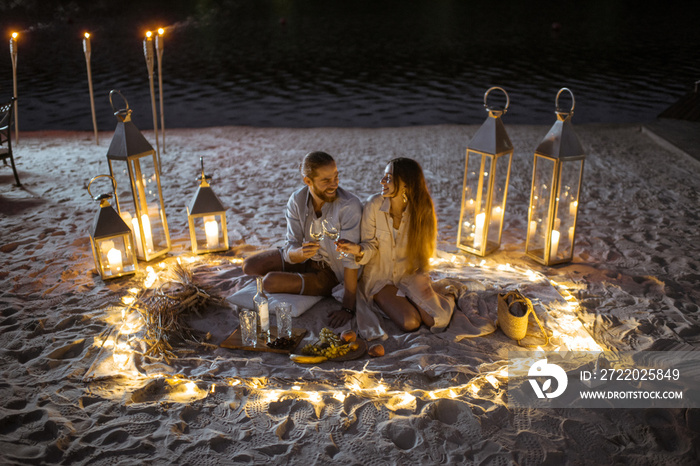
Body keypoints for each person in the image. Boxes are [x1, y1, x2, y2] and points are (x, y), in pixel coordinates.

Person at [336, 157, 454, 340]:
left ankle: (445, 298)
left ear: (406, 184)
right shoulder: (374, 205)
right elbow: (370, 246)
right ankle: (404, 302)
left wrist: (422, 276)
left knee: (436, 321)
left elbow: (424, 252)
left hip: (408, 275)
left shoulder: (422, 211)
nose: (382, 182)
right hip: (380, 279)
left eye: (389, 178)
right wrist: (357, 250)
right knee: (411, 323)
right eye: (384, 176)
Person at [242, 151, 362, 328]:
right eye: (326, 180)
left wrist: (348, 307)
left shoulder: (348, 206)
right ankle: (300, 278)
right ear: (308, 181)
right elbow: (291, 242)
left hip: (331, 272)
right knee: (250, 266)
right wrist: (298, 253)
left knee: (269, 282)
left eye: (336, 176)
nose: (334, 184)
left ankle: (307, 283)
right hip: (305, 258)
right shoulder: (297, 200)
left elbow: (350, 260)